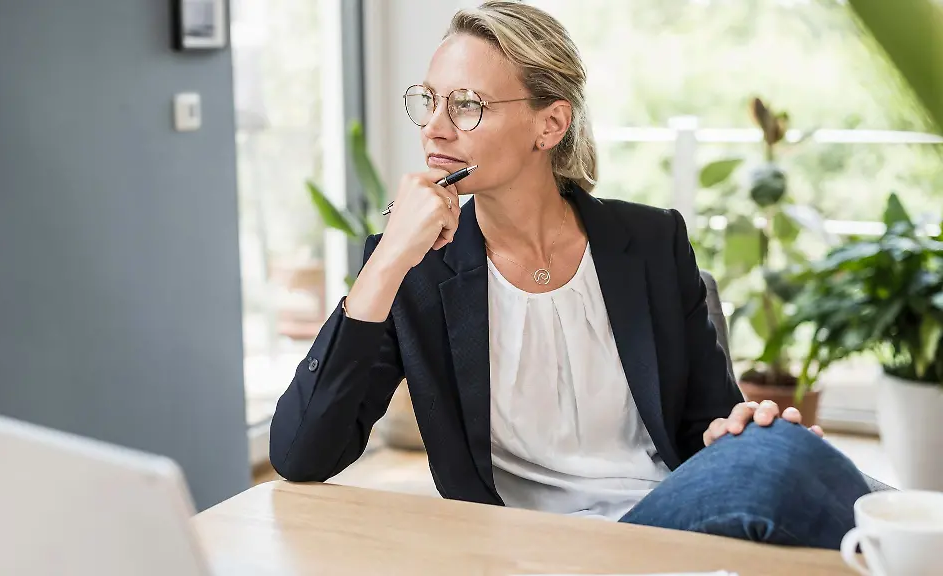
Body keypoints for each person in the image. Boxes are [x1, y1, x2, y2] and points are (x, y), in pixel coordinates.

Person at [270, 0, 870, 550]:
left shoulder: (653, 241)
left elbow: (705, 424)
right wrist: (385, 262)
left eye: (467, 105)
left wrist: (743, 432)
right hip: (525, 543)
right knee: (812, 485)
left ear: (550, 124)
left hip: (661, 521)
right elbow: (301, 455)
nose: (434, 126)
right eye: (429, 100)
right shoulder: (416, 267)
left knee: (788, 459)